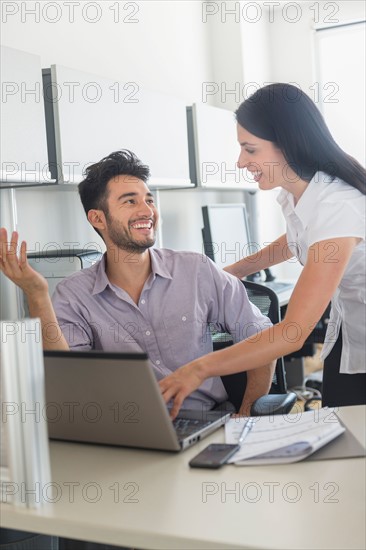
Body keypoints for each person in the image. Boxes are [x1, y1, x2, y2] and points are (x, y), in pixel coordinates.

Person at [0, 149, 275, 415]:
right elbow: (66, 377)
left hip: (206, 419)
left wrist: (248, 413)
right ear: (98, 218)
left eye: (149, 200)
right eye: (130, 201)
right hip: (126, 431)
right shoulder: (74, 294)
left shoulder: (196, 269)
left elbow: (264, 339)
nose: (147, 211)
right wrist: (36, 294)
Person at [160, 82, 366, 418]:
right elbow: (293, 241)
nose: (241, 161)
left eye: (250, 150)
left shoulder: (337, 205)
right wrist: (228, 273)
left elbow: (293, 332)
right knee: (344, 433)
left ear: (287, 144)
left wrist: (198, 369)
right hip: (350, 331)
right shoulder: (300, 192)